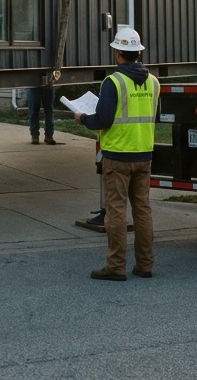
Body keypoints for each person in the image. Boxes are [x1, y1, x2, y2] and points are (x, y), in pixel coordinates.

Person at [72, 25, 160, 281]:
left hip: (118, 155)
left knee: (116, 211)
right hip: (144, 154)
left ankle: (116, 266)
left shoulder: (113, 82)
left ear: (117, 53)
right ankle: (145, 265)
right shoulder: (154, 82)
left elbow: (102, 119)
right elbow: (154, 116)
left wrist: (82, 118)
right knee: (142, 210)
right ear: (138, 52)